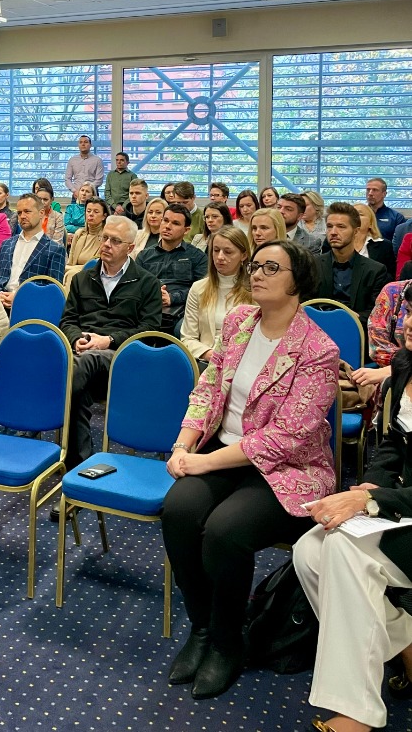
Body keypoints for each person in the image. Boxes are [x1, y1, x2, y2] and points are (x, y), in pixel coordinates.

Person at [162, 241, 339, 699]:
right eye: (255, 265)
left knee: (225, 530)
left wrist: (203, 461)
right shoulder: (239, 322)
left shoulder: (318, 350)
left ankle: (227, 642)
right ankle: (202, 627)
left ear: (298, 281)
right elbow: (207, 390)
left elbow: (285, 438)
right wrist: (183, 445)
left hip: (288, 472)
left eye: (270, 267)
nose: (256, 273)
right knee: (178, 510)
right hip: (222, 452)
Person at [294, 317, 412, 732]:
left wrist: (371, 500)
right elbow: (394, 443)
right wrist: (371, 484)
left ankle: (357, 715)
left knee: (344, 548)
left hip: (402, 507)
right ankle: (406, 641)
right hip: (402, 505)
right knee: (309, 550)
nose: (408, 322)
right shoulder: (404, 365)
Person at [57, 215, 162, 484]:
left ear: (130, 247)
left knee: (82, 364)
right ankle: (78, 468)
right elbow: (68, 321)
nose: (106, 244)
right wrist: (76, 338)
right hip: (83, 358)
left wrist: (109, 340)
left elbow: (150, 331)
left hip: (123, 358)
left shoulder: (147, 282)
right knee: (78, 390)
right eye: (104, 238)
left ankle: (48, 397)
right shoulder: (82, 279)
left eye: (115, 241)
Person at [180, 226, 251, 366]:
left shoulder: (255, 290)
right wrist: (210, 354)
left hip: (243, 363)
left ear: (243, 255)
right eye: (216, 250)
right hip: (206, 362)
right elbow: (187, 338)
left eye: (228, 252)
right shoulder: (198, 288)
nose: (220, 257)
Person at [137, 203, 207, 334]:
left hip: (183, 310)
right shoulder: (144, 256)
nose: (168, 226)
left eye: (175, 223)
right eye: (165, 220)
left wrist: (172, 297)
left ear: (186, 230)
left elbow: (203, 290)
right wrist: (154, 294)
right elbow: (135, 286)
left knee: (181, 328)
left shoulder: (197, 257)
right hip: (148, 308)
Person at [317, 202, 388, 331]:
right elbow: (303, 304)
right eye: (329, 226)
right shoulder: (312, 265)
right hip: (317, 330)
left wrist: (348, 319)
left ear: (355, 231)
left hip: (356, 331)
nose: (333, 232)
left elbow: (376, 313)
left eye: (341, 227)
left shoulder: (375, 270)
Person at [0, 193, 66, 309]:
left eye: (27, 211)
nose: (22, 216)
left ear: (41, 213)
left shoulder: (55, 250)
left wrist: (20, 297)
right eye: (19, 213)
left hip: (30, 307)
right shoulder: (7, 244)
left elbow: (53, 289)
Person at [63, 198, 109, 292]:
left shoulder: (107, 236)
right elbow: (70, 261)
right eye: (88, 211)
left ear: (104, 216)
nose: (91, 214)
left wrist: (69, 269)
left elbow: (100, 265)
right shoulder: (79, 233)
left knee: (71, 274)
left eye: (96, 212)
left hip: (95, 276)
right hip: (73, 270)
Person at [353, 201, 396, 278]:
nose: (354, 217)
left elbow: (390, 276)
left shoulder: (384, 246)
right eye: (352, 214)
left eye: (360, 214)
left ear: (370, 223)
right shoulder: (336, 243)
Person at [366, 177, 406, 242]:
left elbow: (400, 243)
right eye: (368, 190)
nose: (370, 193)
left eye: (375, 190)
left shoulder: (396, 218)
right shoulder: (357, 214)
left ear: (384, 194)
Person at [33, 181, 66, 245]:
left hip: (52, 249)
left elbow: (57, 242)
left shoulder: (58, 217)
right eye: (39, 199)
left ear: (52, 200)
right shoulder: (32, 215)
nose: (42, 202)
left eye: (45, 199)